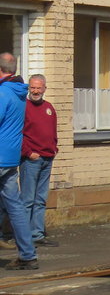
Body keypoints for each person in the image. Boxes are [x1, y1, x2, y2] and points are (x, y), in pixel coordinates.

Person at [0, 53, 35, 270]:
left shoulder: (3, 92)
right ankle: (28, 255)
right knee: (15, 206)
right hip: (11, 159)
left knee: (14, 206)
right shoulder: (20, 93)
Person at [21, 74, 58, 247]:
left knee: (41, 199)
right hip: (31, 160)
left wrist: (54, 148)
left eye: (38, 88)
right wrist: (28, 153)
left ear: (44, 88)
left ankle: (37, 234)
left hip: (47, 158)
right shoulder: (23, 107)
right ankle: (24, 236)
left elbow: (53, 132)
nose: (35, 91)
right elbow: (17, 134)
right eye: (32, 88)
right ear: (29, 88)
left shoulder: (49, 108)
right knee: (27, 199)